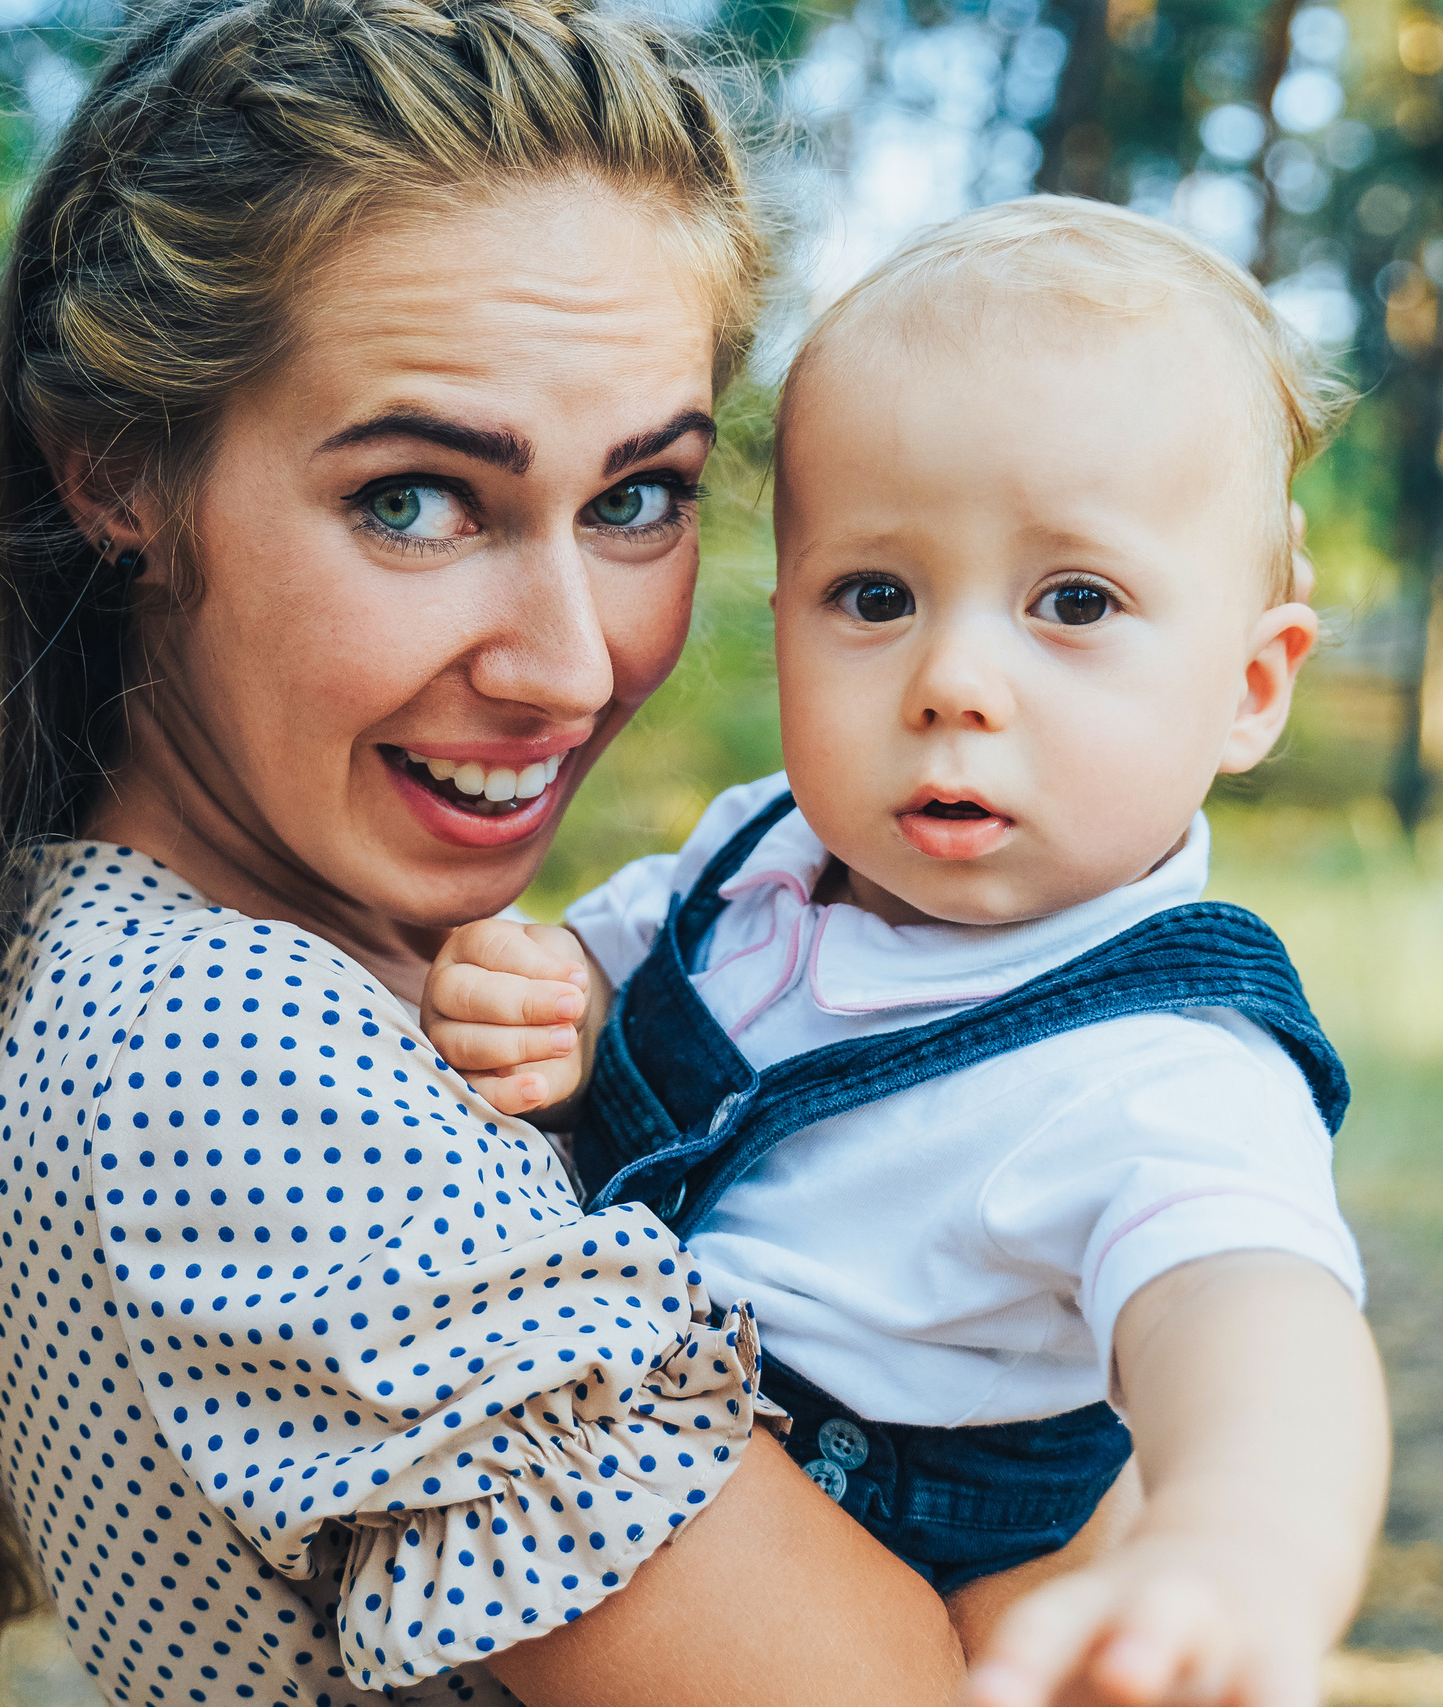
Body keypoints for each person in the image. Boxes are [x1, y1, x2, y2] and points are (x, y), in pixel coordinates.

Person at [0, 3, 1005, 1705]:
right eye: (417, 500)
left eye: (637, 497)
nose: (572, 667)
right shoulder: (225, 1065)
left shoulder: (186, 963)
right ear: (120, 477)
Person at [418, 196, 1393, 1707]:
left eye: (1075, 602)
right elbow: (606, 979)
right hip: (644, 1516)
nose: (953, 681)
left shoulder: (1159, 1069)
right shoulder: (761, 854)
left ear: (1252, 686)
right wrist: (555, 999)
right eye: (876, 596)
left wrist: (1229, 1549)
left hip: (897, 1581)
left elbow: (1257, 1324)